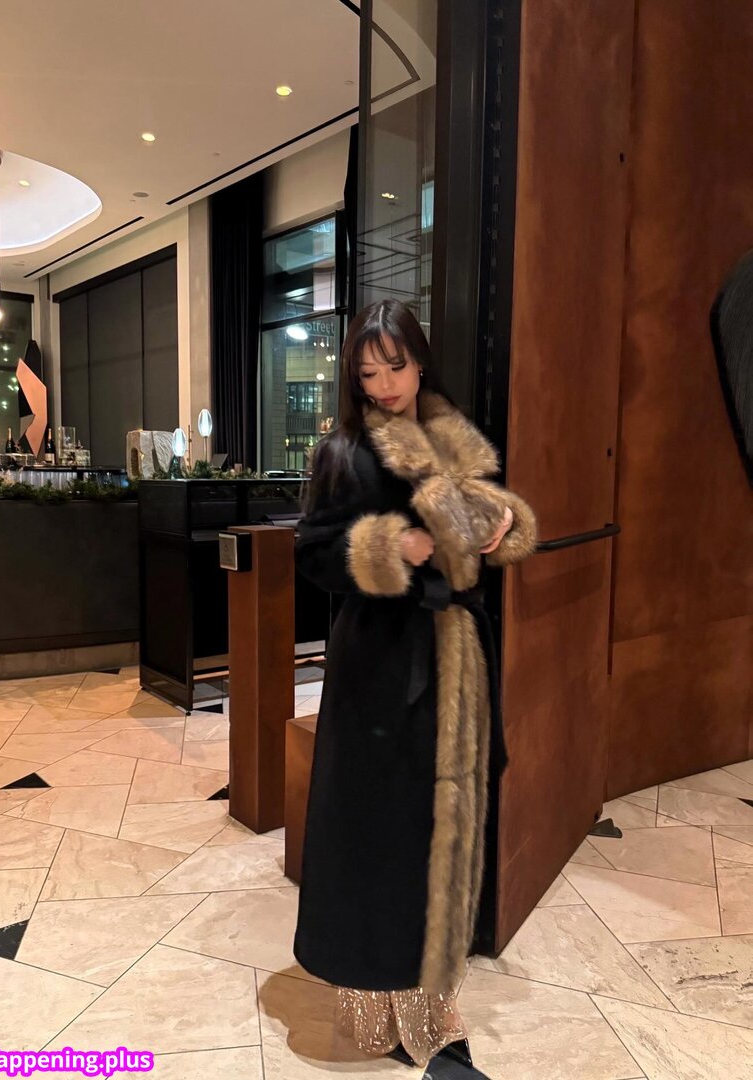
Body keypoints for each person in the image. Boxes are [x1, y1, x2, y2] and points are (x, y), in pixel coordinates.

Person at [293, 299, 537, 1073]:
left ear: (420, 360)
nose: (383, 384)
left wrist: (500, 525)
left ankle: (428, 997)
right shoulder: (344, 451)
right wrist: (391, 545)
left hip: (456, 658)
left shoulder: (454, 437)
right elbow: (313, 552)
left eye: (394, 365)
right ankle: (373, 997)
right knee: (378, 831)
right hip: (381, 665)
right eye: (367, 372)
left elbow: (494, 522)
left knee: (440, 830)